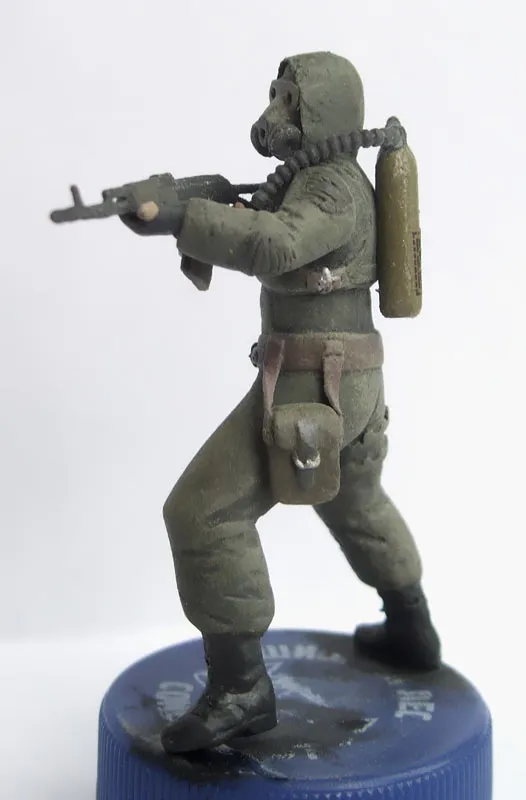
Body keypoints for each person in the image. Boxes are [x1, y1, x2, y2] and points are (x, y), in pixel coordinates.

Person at [122, 51, 441, 753]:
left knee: (203, 512)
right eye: (276, 94)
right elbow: (267, 224)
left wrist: (186, 219)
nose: (275, 112)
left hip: (313, 383)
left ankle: (241, 687)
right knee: (354, 501)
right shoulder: (314, 178)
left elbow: (276, 244)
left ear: (324, 112)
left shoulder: (331, 187)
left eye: (291, 101)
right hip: (350, 382)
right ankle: (411, 626)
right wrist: (197, 212)